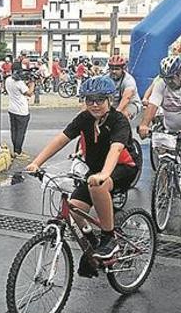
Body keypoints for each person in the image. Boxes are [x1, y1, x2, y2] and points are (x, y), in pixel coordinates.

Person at [25, 76, 139, 260]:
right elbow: (60, 140)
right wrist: (36, 163)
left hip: (123, 167)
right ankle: (93, 244)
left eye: (100, 100)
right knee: (74, 208)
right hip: (96, 171)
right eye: (89, 100)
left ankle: (109, 240)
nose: (94, 105)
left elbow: (116, 149)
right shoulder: (84, 118)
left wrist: (104, 174)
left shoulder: (118, 120)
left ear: (109, 100)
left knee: (98, 185)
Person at [139, 56, 181, 172]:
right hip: (170, 126)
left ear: (180, 74)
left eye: (171, 78)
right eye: (166, 78)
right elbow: (152, 105)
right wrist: (144, 125)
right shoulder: (161, 84)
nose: (168, 81)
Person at [6, 62, 34, 157]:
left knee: (14, 130)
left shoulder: (8, 80)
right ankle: (18, 151)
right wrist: (32, 84)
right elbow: (29, 93)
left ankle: (15, 149)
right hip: (22, 111)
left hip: (12, 109)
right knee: (21, 132)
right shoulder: (19, 83)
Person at [106, 55, 142, 129]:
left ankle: (124, 135)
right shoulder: (105, 79)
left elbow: (127, 97)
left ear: (123, 69)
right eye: (112, 69)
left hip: (131, 103)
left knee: (122, 116)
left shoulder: (129, 80)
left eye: (117, 69)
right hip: (114, 103)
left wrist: (117, 113)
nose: (114, 71)